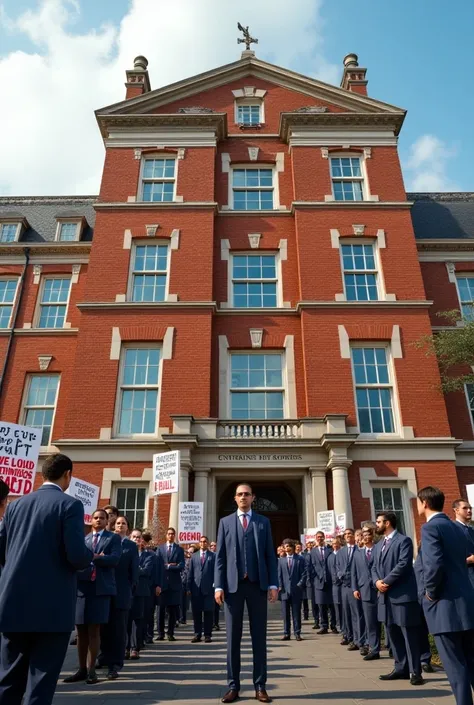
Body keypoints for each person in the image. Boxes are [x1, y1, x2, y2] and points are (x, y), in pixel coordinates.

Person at [0, 453, 92, 705]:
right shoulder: (70, 505)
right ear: (68, 475)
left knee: (8, 681)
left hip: (13, 603)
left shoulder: (15, 505)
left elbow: (1, 549)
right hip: (51, 608)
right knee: (40, 683)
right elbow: (76, 555)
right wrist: (89, 554)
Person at [215, 483, 278, 704]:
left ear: (253, 498)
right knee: (233, 639)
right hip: (232, 588)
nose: (243, 497)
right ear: (235, 498)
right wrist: (218, 585)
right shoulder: (225, 523)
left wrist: (273, 584)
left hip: (257, 586)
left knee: (259, 638)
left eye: (247, 494)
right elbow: (220, 557)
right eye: (240, 494)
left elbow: (270, 555)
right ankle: (233, 686)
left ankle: (260, 686)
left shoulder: (263, 522)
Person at [417, 486, 474, 704]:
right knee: (470, 662)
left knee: (455, 668)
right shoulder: (458, 528)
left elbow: (433, 564)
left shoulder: (430, 528)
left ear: (424, 503)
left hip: (444, 607)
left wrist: (430, 592)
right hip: (466, 603)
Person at [65, 508, 122, 685]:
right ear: (91, 520)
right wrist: (97, 556)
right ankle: (81, 669)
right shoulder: (84, 539)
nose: (98, 520)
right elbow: (77, 559)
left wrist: (93, 558)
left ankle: (92, 670)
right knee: (81, 630)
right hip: (82, 589)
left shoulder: (113, 538)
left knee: (94, 629)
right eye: (95, 518)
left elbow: (114, 559)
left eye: (102, 518)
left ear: (107, 521)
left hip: (101, 589)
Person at [372, 512, 423, 686]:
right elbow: (373, 567)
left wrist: (385, 581)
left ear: (387, 523)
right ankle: (400, 667)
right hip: (385, 597)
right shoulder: (378, 545)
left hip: (402, 596)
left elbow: (403, 564)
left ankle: (415, 671)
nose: (376, 524)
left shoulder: (403, 541)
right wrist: (377, 581)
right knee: (393, 634)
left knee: (409, 635)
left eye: (378, 521)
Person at [99, 515, 139, 679]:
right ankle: (103, 657)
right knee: (104, 627)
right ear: (113, 526)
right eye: (118, 523)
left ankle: (115, 664)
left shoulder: (131, 546)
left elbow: (134, 571)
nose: (120, 525)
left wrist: (130, 590)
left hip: (122, 592)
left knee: (119, 629)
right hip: (105, 589)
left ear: (127, 528)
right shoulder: (107, 542)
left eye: (123, 523)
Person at [351, 525, 380, 660]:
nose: (366, 537)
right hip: (365, 590)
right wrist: (355, 588)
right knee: (370, 622)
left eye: (368, 534)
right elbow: (354, 573)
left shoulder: (379, 549)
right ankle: (373, 648)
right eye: (363, 535)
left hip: (380, 590)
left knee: (386, 621)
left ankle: (391, 647)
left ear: (372, 536)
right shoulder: (357, 554)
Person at [336, 528, 365, 652]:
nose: (347, 536)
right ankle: (351, 638)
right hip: (345, 587)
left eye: (350, 534)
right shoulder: (341, 552)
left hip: (356, 587)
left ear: (354, 536)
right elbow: (337, 567)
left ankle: (360, 641)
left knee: (357, 614)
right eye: (346, 534)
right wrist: (341, 575)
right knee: (347, 614)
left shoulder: (359, 550)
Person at [127, 529, 154, 658]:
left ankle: (134, 648)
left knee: (137, 621)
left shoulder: (148, 556)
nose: (137, 539)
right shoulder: (125, 552)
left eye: (139, 537)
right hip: (126, 591)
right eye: (134, 537)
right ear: (129, 538)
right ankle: (125, 647)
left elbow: (146, 571)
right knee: (125, 621)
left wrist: (132, 568)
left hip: (140, 592)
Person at [157, 527, 185, 641]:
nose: (171, 535)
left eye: (173, 534)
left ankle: (170, 633)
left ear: (175, 535)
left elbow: (181, 565)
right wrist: (171, 565)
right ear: (166, 535)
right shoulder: (160, 548)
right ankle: (160, 633)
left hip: (174, 584)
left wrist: (169, 566)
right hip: (162, 583)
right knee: (160, 610)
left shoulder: (179, 549)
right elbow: (158, 565)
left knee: (172, 610)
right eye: (169, 534)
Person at [187, 536, 216, 643]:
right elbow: (190, 572)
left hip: (209, 589)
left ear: (207, 543)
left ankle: (208, 634)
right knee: (197, 613)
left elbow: (216, 572)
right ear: (199, 544)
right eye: (201, 542)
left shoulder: (213, 556)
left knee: (208, 613)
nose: (203, 543)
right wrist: (188, 587)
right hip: (196, 589)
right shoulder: (194, 557)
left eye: (205, 542)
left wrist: (216, 586)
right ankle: (197, 634)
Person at [308, 531, 337, 635]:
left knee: (332, 606)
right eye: (318, 537)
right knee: (321, 605)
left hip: (330, 582)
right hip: (318, 582)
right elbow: (310, 567)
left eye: (321, 537)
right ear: (316, 538)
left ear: (324, 538)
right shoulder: (312, 552)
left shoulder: (329, 551)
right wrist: (314, 578)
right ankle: (324, 626)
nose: (320, 539)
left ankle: (333, 625)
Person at [278, 538, 306, 641]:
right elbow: (279, 575)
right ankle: (286, 633)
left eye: (289, 546)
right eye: (285, 546)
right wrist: (280, 586)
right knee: (285, 614)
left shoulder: (299, 559)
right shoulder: (281, 560)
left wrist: (299, 585)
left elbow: (304, 574)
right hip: (285, 591)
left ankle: (297, 633)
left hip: (296, 590)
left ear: (293, 547)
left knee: (296, 613)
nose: (287, 548)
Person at [452, 499, 474, 589]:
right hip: (465, 579)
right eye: (465, 508)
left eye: (470, 508)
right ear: (456, 510)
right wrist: (469, 560)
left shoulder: (471, 530)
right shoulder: (452, 529)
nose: (469, 511)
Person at [328, 535, 343, 634]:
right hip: (335, 585)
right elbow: (330, 570)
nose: (335, 546)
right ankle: (339, 625)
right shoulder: (330, 557)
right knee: (337, 606)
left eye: (336, 544)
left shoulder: (342, 554)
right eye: (333, 544)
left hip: (343, 584)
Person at [210, 541, 221, 631]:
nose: (213, 547)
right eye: (211, 545)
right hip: (207, 585)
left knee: (216, 607)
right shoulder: (208, 556)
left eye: (214, 545)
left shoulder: (219, 556)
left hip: (216, 585)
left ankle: (215, 623)